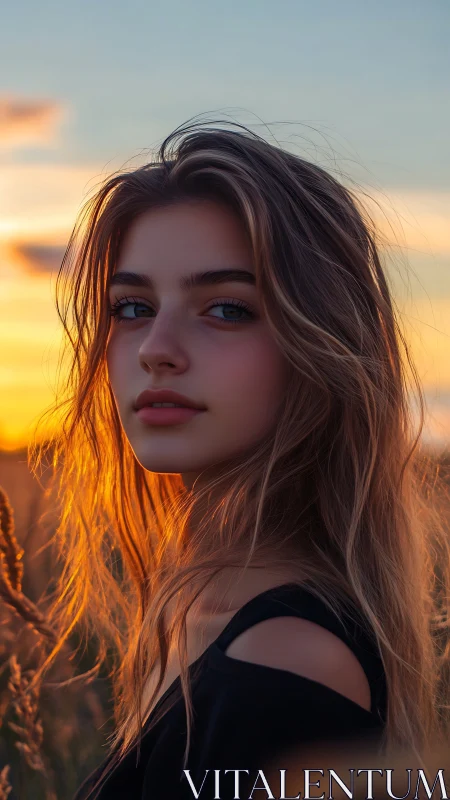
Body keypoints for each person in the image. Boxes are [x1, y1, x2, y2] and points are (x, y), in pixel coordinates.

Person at [28, 116, 450, 799]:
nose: (155, 347)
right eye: (132, 306)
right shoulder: (196, 611)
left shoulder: (286, 665)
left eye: (226, 310)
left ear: (321, 348)